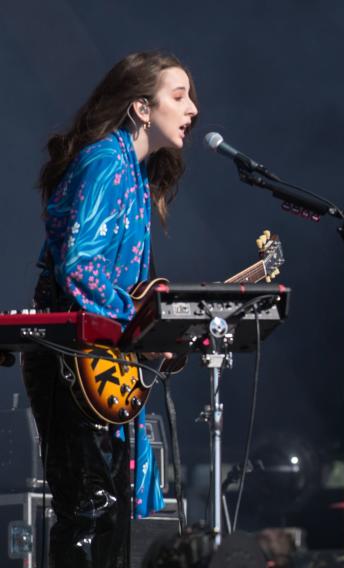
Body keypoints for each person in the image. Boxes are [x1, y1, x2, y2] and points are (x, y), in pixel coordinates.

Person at [22, 51, 198, 567]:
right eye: (179, 96)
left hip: (100, 357)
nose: (193, 110)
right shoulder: (104, 161)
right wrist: (141, 326)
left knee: (110, 512)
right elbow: (79, 265)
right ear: (142, 108)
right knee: (90, 509)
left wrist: (153, 328)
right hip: (71, 352)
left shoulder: (137, 178)